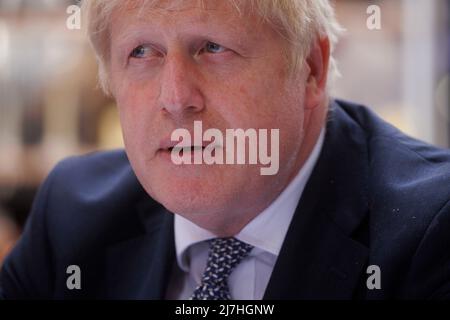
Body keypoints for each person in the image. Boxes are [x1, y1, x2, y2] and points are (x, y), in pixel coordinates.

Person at [1, 0, 450, 300]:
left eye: (213, 48)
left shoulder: (431, 232)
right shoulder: (71, 217)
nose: (175, 98)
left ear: (310, 67)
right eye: (142, 52)